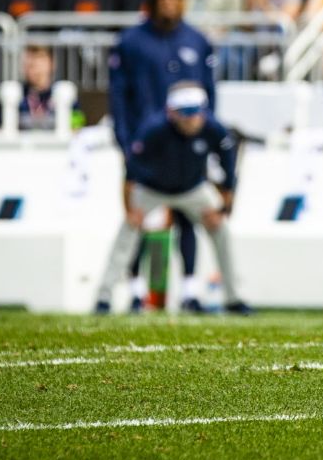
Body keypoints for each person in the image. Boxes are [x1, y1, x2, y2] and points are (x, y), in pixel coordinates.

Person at [109, 0, 218, 312]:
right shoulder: (131, 42)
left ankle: (189, 291)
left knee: (187, 215)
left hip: (186, 145)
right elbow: (118, 97)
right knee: (140, 215)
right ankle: (138, 291)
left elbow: (210, 96)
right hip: (145, 147)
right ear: (153, 0)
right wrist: (125, 142)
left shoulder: (197, 41)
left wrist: (205, 137)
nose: (169, 2)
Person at [95, 84, 251, 315]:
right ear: (172, 112)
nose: (192, 119)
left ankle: (233, 298)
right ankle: (103, 298)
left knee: (222, 231)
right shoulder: (153, 129)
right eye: (186, 112)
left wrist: (223, 209)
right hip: (152, 188)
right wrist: (130, 209)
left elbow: (229, 168)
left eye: (196, 111)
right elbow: (130, 171)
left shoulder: (213, 128)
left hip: (192, 189)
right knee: (127, 231)